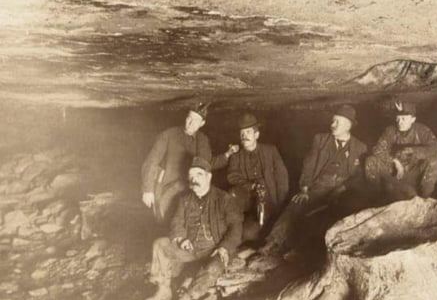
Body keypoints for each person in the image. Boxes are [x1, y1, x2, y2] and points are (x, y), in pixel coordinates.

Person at [262, 104, 368, 255]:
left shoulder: (360, 147)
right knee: (298, 203)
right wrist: (304, 189)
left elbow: (359, 176)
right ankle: (273, 242)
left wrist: (344, 188)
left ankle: (307, 250)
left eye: (337, 122)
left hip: (344, 189)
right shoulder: (320, 140)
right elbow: (308, 165)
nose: (332, 125)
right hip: (319, 186)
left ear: (348, 125)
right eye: (333, 121)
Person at [143, 156, 243, 300]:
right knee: (160, 244)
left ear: (209, 177)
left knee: (214, 267)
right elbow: (176, 222)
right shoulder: (184, 200)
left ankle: (188, 297)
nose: (193, 180)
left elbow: (236, 227)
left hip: (216, 248)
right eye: (191, 176)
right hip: (191, 248)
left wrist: (225, 247)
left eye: (199, 175)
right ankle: (163, 291)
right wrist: (181, 238)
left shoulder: (224, 199)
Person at [212, 113, 289, 245]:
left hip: (269, 198)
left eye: (248, 132)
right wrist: (250, 186)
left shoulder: (270, 151)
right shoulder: (236, 156)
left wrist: (280, 204)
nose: (244, 136)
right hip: (247, 197)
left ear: (256, 135)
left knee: (260, 231)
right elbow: (232, 176)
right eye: (242, 133)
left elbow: (282, 178)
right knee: (232, 202)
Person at [141, 102, 213, 224]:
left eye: (195, 120)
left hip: (189, 188)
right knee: (163, 222)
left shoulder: (203, 140)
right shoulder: (169, 135)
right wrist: (147, 189)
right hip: (165, 188)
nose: (190, 123)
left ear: (202, 123)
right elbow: (151, 161)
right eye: (189, 118)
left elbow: (206, 166)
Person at [365, 101, 437, 203]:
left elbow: (434, 149)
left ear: (413, 119)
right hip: (395, 172)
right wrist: (395, 161)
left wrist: (413, 151)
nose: (400, 122)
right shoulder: (390, 131)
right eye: (398, 118)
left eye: (404, 119)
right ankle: (374, 199)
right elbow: (377, 150)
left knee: (433, 161)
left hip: (414, 173)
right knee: (371, 160)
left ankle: (425, 199)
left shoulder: (422, 131)